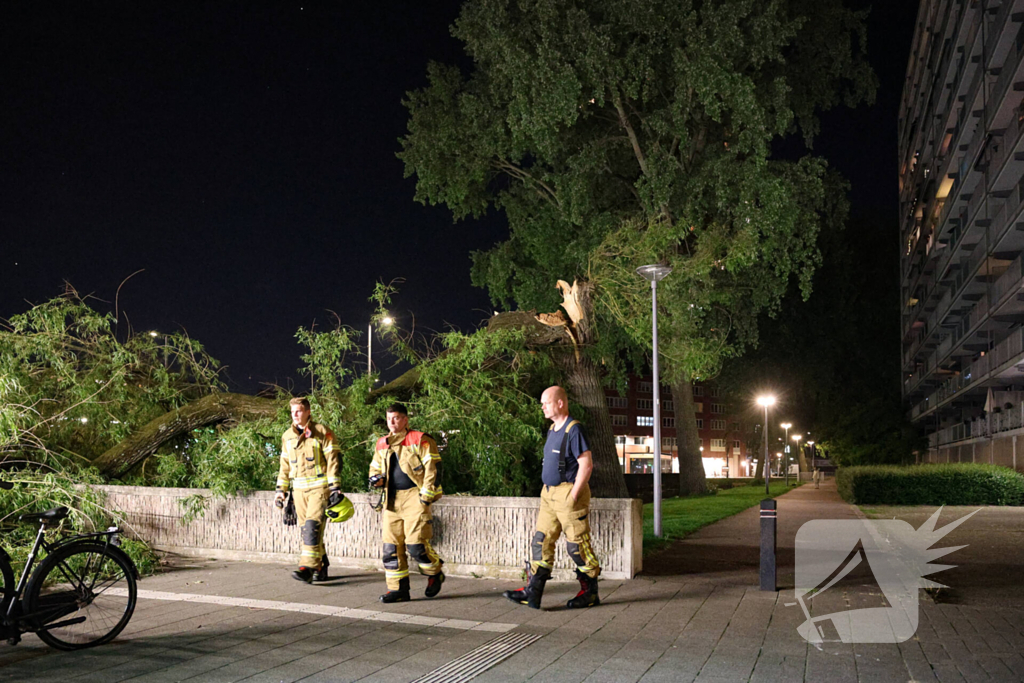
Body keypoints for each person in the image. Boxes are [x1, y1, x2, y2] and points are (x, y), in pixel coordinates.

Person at [504, 386, 601, 610]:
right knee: (541, 541)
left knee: (577, 547)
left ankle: (590, 593)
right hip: (548, 495)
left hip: (568, 493)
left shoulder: (573, 430)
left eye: (546, 402)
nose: (542, 406)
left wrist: (574, 495)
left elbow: (586, 465)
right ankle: (533, 593)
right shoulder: (552, 429)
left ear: (560, 403)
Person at [368, 403, 445, 603]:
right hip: (391, 499)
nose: (391, 422)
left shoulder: (420, 439)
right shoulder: (382, 443)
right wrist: (376, 479)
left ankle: (435, 572)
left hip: (414, 497)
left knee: (416, 546)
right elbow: (375, 468)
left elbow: (433, 469)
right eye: (388, 418)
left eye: (395, 418)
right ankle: (398, 590)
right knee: (390, 549)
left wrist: (425, 498)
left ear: (405, 420)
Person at [274, 397, 342, 583]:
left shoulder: (322, 432)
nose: (294, 415)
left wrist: (335, 488)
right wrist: (281, 490)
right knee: (308, 531)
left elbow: (333, 461)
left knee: (312, 527)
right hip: (299, 492)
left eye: (298, 411)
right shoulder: (287, 436)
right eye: (292, 412)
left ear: (308, 412)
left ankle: (306, 568)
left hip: (319, 489)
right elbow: (284, 465)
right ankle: (322, 564)